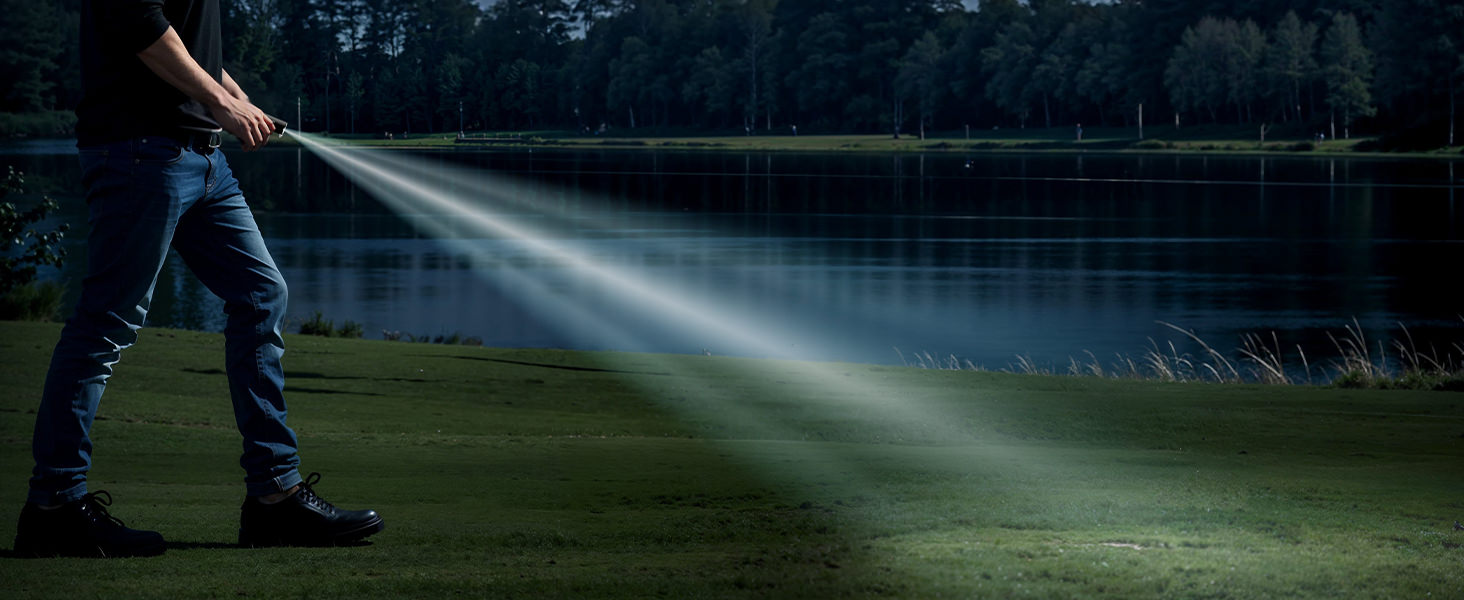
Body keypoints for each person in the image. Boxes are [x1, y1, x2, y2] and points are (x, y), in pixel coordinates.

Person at [13, 0, 382, 558]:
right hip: (139, 154)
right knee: (106, 325)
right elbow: (139, 24)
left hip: (204, 161)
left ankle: (274, 500)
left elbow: (190, 50)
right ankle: (54, 506)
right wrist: (221, 104)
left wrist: (237, 102)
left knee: (263, 295)